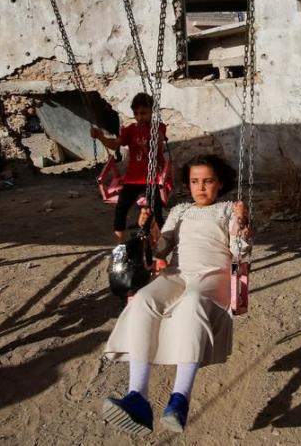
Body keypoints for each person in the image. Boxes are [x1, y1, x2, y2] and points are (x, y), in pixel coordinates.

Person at [101, 154, 252, 435]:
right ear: (188, 184)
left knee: (192, 303)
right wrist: (149, 228)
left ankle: (180, 398)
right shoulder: (180, 210)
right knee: (144, 300)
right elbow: (161, 250)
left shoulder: (230, 209)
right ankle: (138, 397)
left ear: (220, 183)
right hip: (176, 272)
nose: (201, 187)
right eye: (195, 181)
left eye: (208, 181)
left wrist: (242, 224)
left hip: (212, 275)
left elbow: (239, 253)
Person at [91, 92, 168, 243]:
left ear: (152, 111)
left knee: (156, 211)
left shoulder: (159, 127)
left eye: (144, 113)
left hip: (152, 178)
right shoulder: (130, 130)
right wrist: (100, 136)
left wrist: (152, 128)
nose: (140, 117)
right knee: (121, 209)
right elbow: (114, 145)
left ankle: (161, 243)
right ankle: (120, 243)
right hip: (133, 178)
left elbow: (159, 144)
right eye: (136, 113)